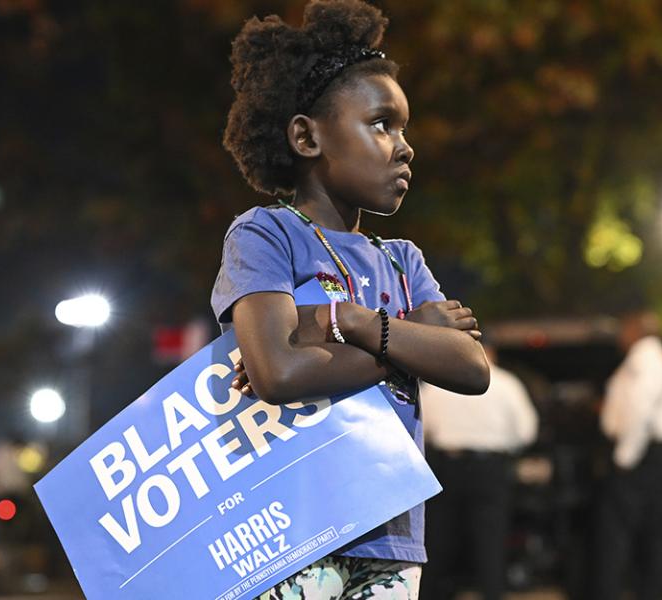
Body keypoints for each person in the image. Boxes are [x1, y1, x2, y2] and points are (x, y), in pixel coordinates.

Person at [211, 1, 491, 598]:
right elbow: (278, 371)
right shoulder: (265, 234)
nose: (405, 146)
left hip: (391, 532)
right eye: (382, 124)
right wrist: (410, 336)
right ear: (307, 136)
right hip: (293, 530)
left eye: (404, 128)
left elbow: (470, 368)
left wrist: (353, 323)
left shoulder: (403, 259)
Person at [419, 343, 538, 600]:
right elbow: (527, 431)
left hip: (447, 465)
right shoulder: (507, 384)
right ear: (492, 353)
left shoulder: (440, 383)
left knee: (439, 540)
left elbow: (423, 427)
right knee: (490, 542)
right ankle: (491, 593)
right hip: (490, 468)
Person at [593, 310, 662, 600]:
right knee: (650, 534)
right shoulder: (657, 359)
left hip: (640, 455)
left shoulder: (645, 358)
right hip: (650, 455)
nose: (621, 336)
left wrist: (624, 457)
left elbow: (639, 412)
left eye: (625, 329)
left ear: (636, 331)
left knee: (618, 535)